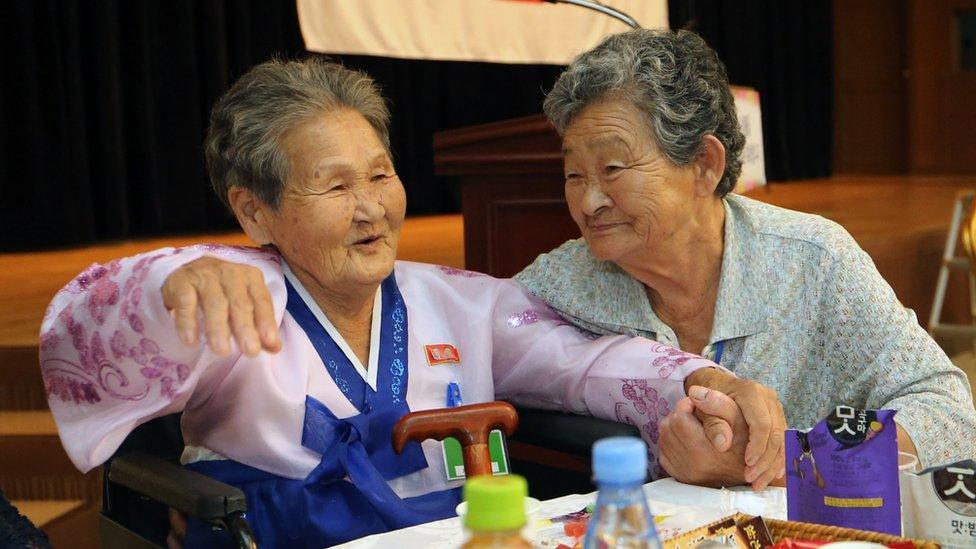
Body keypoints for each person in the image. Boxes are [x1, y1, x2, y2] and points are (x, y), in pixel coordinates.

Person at [39, 57, 776, 548]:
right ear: (255, 211)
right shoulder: (229, 298)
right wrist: (163, 284)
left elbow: (581, 361)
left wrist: (700, 381)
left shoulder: (456, 301)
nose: (371, 209)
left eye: (380, 174)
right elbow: (86, 338)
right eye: (336, 186)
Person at [513, 28, 976, 489]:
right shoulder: (559, 286)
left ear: (703, 165)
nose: (589, 201)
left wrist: (787, 464)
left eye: (613, 169)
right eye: (574, 174)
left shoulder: (810, 263)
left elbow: (947, 413)